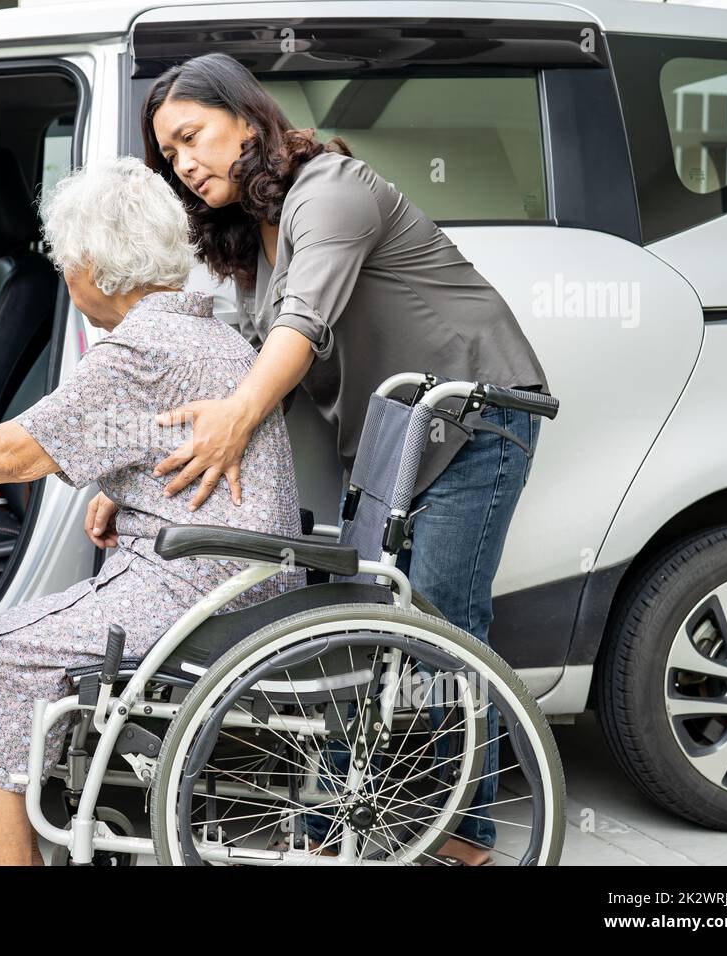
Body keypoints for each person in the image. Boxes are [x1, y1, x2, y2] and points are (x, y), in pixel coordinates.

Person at [92, 52, 549, 865]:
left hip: (473, 418)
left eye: (192, 137)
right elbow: (232, 354)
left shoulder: (332, 189)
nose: (186, 165)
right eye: (171, 157)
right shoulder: (257, 237)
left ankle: (464, 844)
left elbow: (299, 330)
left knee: (441, 628)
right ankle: (355, 816)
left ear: (246, 115)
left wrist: (236, 419)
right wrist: (121, 476)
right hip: (393, 444)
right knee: (365, 628)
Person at [0, 156, 307, 865]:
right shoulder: (199, 329)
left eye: (68, 261)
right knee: (23, 640)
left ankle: (11, 860)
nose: (66, 277)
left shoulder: (140, 350)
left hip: (202, 587)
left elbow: (11, 455)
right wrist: (118, 487)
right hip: (227, 571)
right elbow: (149, 436)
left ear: (97, 272)